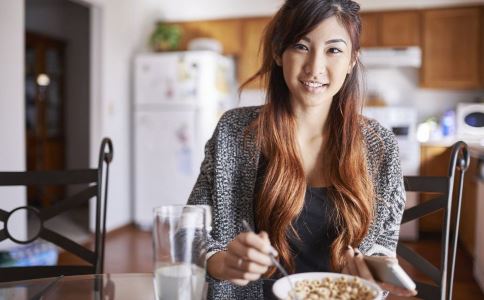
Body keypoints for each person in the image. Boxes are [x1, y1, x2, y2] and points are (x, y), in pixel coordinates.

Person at [188, 0, 418, 299]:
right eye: (300, 46)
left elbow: (383, 242)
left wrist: (371, 267)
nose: (315, 67)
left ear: (351, 61)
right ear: (278, 53)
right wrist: (223, 263)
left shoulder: (379, 144)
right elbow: (190, 233)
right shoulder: (235, 131)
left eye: (333, 50)